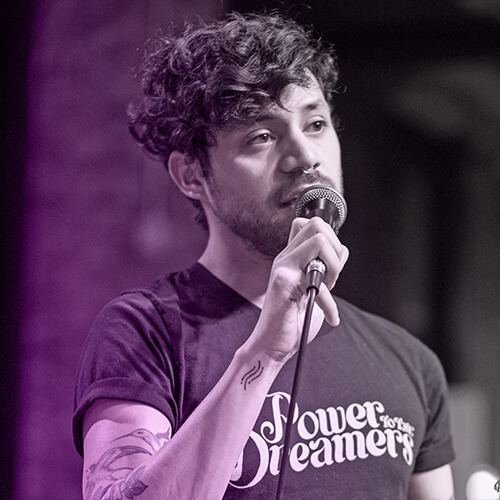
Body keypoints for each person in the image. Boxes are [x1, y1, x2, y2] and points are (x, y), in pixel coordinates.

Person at [73, 11, 455, 500]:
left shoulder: (411, 364)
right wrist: (264, 353)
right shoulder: (144, 332)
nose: (305, 154)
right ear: (192, 176)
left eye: (316, 123)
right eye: (262, 136)